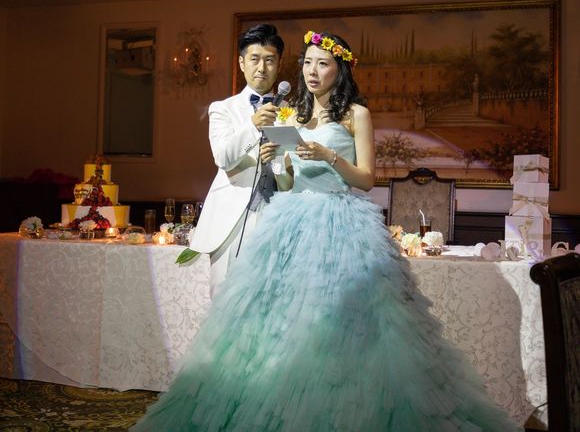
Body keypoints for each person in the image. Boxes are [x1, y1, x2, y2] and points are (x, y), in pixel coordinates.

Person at [133, 31, 520, 431]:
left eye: (322, 63)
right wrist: (280, 164)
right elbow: (286, 183)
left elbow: (367, 179)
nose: (312, 71)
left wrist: (329, 155)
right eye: (307, 63)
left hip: (339, 221)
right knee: (277, 323)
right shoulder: (292, 115)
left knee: (338, 321)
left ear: (340, 69)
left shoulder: (356, 114)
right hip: (288, 222)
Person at [189, 23, 284, 292]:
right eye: (254, 59)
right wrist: (253, 125)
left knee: (272, 301)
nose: (262, 68)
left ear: (279, 65)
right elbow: (223, 157)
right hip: (232, 220)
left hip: (277, 218)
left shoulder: (292, 111)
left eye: (269, 60)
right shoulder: (223, 109)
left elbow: (291, 167)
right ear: (242, 63)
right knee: (224, 297)